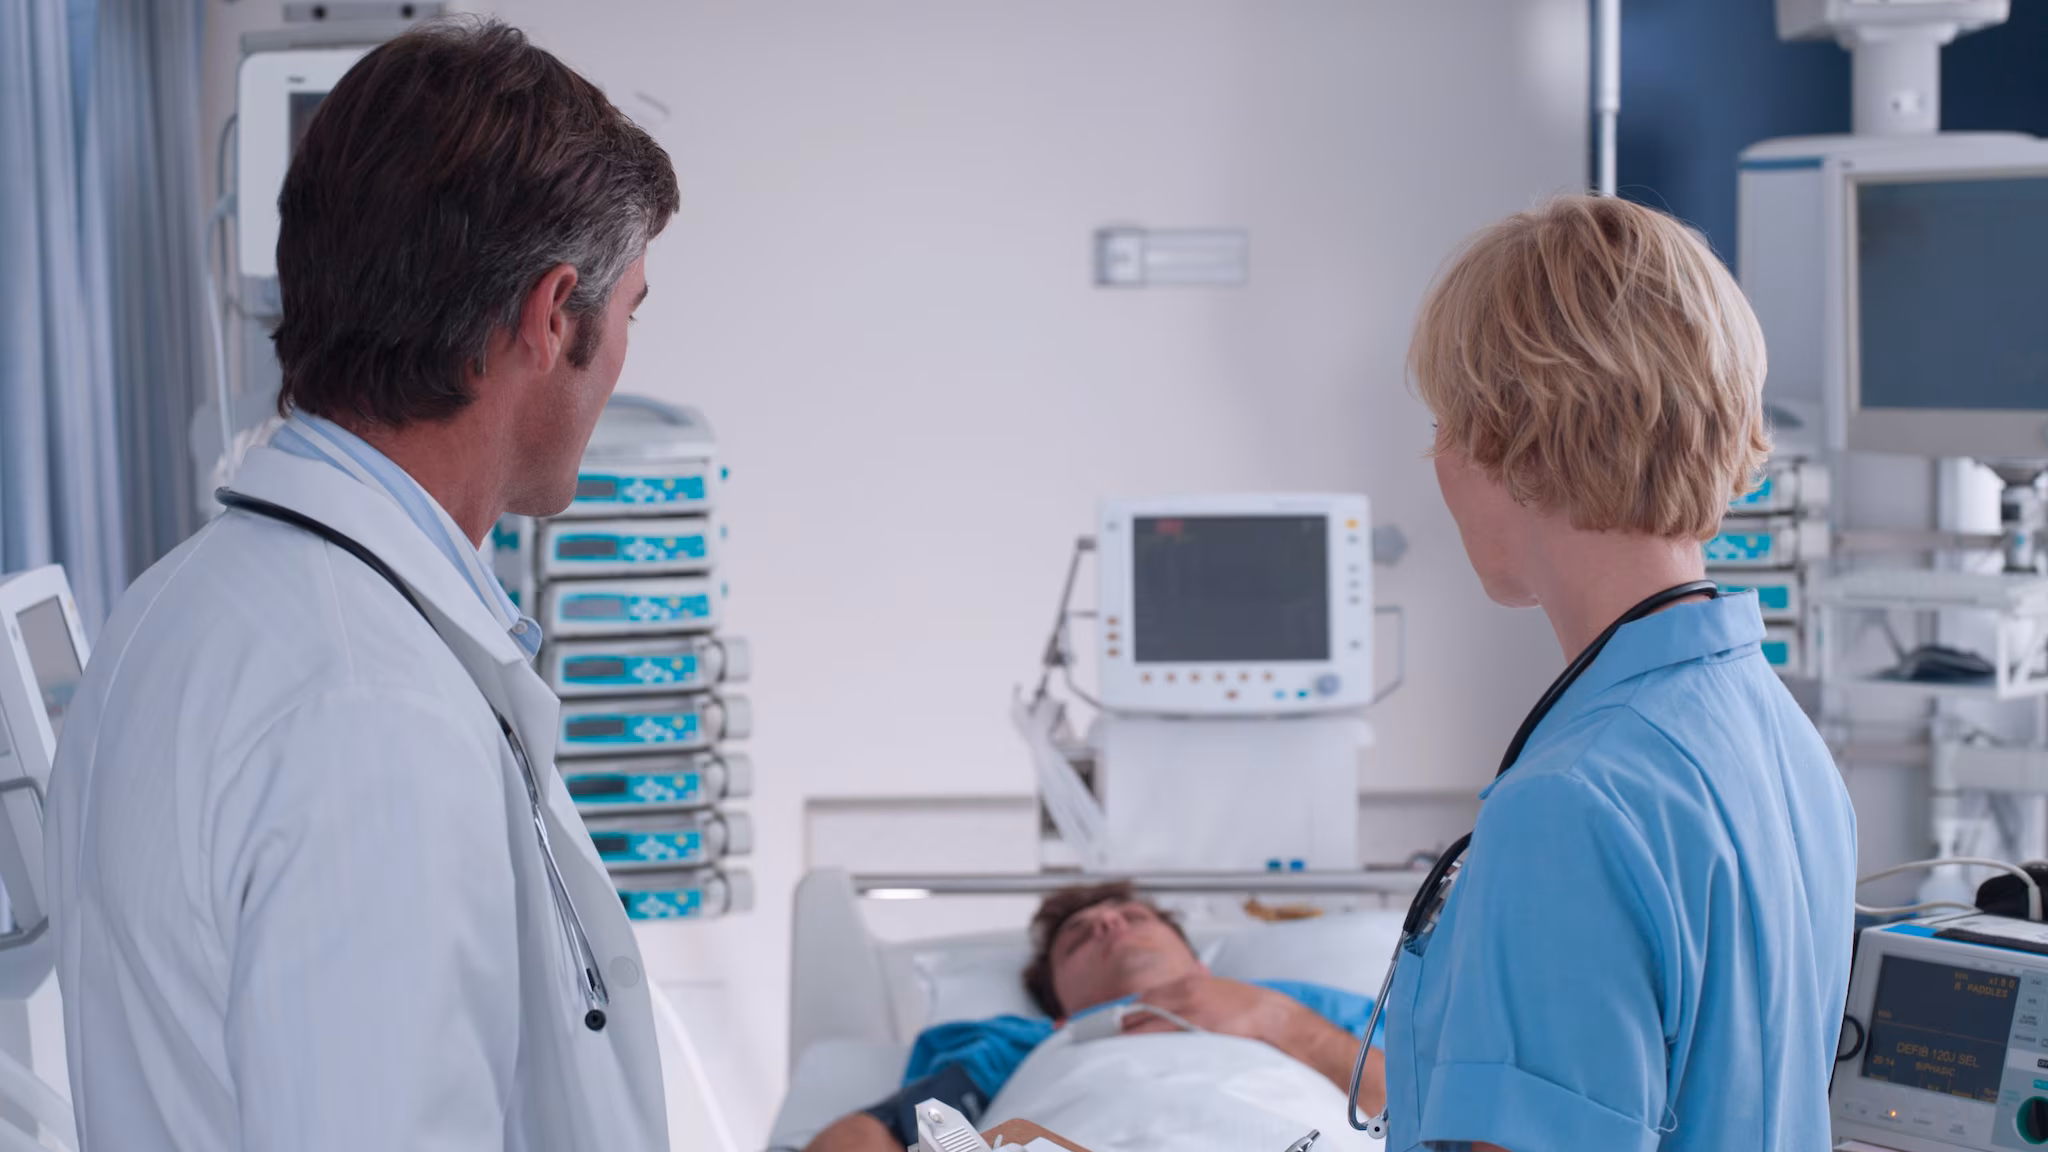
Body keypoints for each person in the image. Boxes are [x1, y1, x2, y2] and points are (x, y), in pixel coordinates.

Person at [45, 19, 680, 1151]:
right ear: (550, 315)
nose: (628, 354)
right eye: (630, 312)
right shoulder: (368, 709)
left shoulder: (184, 606)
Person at [1377, 195, 1856, 1151]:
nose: (1434, 459)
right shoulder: (1780, 739)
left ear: (1501, 436)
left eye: (1441, 423)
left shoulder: (1571, 804)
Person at [806, 882, 1386, 1152]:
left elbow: (1436, 1114)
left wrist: (1279, 1022)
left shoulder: (1310, 1008)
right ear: (1058, 1007)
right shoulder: (1016, 1046)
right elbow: (867, 1135)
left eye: (1132, 916)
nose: (1108, 925)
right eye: (1077, 938)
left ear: (1194, 958)